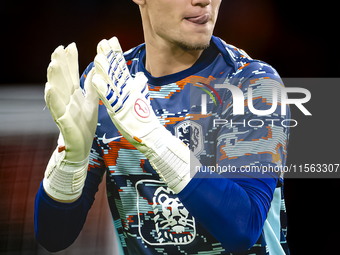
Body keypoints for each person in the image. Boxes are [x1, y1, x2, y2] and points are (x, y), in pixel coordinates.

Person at [35, 0, 291, 254]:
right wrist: (70, 162)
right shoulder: (108, 83)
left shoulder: (253, 83)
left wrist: (153, 138)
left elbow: (243, 228)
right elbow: (53, 237)